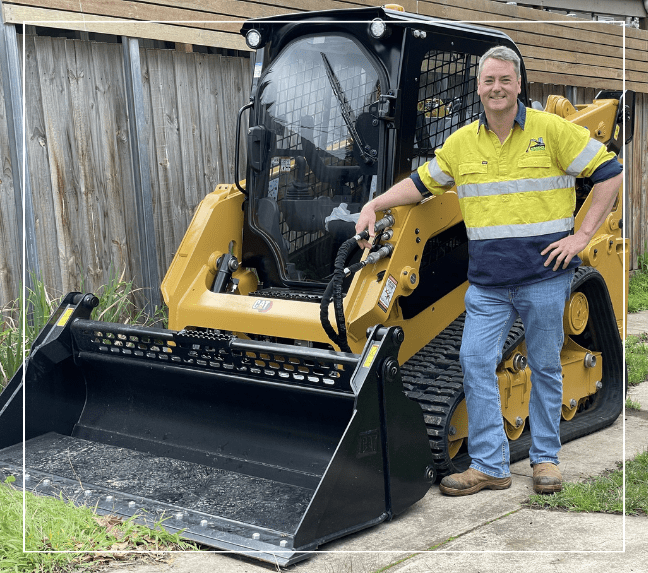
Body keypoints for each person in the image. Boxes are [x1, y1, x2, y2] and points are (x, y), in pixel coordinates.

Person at [354, 45, 623, 496]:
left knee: (544, 364)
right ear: (478, 88)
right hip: (488, 285)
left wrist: (581, 236)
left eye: (504, 80)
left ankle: (545, 460)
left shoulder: (550, 130)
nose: (496, 88)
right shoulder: (462, 143)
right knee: (474, 361)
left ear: (518, 84)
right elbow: (420, 184)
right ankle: (490, 465)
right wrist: (374, 204)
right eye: (488, 81)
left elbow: (610, 174)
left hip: (543, 277)